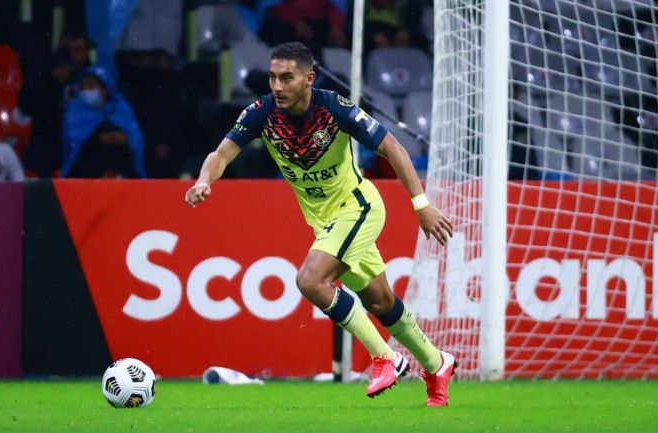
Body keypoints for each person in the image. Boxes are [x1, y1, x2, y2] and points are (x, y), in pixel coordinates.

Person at [184, 42, 457, 405]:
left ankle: (385, 357)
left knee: (310, 280)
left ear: (309, 78)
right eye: (272, 78)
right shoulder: (261, 114)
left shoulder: (335, 108)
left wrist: (421, 205)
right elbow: (221, 154)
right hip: (327, 222)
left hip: (358, 207)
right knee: (380, 302)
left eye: (287, 78)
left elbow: (393, 147)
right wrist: (205, 180)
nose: (277, 86)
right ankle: (436, 363)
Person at [61, 65, 147, 178]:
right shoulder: (75, 109)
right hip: (84, 173)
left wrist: (122, 138)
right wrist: (100, 139)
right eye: (83, 86)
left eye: (91, 86)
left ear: (105, 89)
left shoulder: (120, 108)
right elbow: (74, 140)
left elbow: (134, 138)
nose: (86, 90)